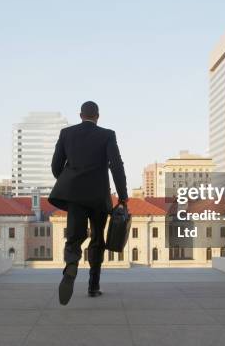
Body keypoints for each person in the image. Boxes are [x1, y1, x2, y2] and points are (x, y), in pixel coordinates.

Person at [48, 101, 128, 305]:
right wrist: (122, 195)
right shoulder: (107, 135)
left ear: (80, 115)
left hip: (75, 194)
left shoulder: (67, 133)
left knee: (75, 236)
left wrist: (68, 181)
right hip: (99, 195)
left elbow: (56, 165)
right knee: (97, 239)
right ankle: (93, 285)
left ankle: (72, 265)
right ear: (97, 116)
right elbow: (116, 165)